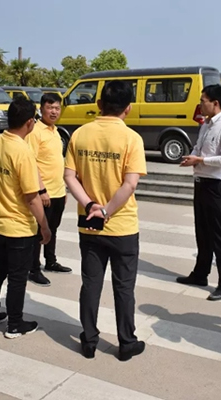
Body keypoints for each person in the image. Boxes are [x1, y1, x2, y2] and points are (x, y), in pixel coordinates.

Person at [64, 80, 147, 361]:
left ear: (99, 104)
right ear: (128, 108)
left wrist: (90, 205)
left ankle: (88, 340)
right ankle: (126, 342)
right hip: (121, 225)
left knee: (91, 284)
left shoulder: (80, 135)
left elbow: (69, 177)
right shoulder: (131, 139)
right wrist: (108, 210)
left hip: (89, 223)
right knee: (123, 288)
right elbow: (130, 184)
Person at [0, 97, 51, 339]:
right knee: (18, 278)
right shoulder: (23, 151)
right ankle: (15, 324)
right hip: (19, 226)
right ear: (30, 122)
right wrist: (45, 226)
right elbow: (32, 198)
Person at [176, 84, 221, 301]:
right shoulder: (205, 125)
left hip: (217, 187)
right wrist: (191, 158)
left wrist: (200, 160)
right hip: (201, 183)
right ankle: (200, 274)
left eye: (203, 100)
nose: (200, 104)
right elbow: (198, 148)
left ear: (216, 103)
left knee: (219, 236)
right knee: (202, 232)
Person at [25, 93, 72, 287]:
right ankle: (33, 269)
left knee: (52, 228)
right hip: (44, 192)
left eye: (57, 108)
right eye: (50, 107)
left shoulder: (56, 131)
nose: (54, 111)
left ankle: (50, 261)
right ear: (41, 108)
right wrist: (41, 190)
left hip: (59, 191)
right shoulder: (35, 131)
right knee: (39, 231)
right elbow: (30, 162)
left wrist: (65, 189)